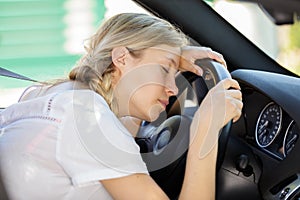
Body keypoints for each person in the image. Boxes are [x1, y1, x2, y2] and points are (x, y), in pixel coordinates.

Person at [0, 13, 243, 200]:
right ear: (122, 58)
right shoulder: (89, 119)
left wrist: (171, 57)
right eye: (164, 70)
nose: (174, 87)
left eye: (174, 72)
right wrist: (206, 130)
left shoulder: (57, 95)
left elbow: (110, 142)